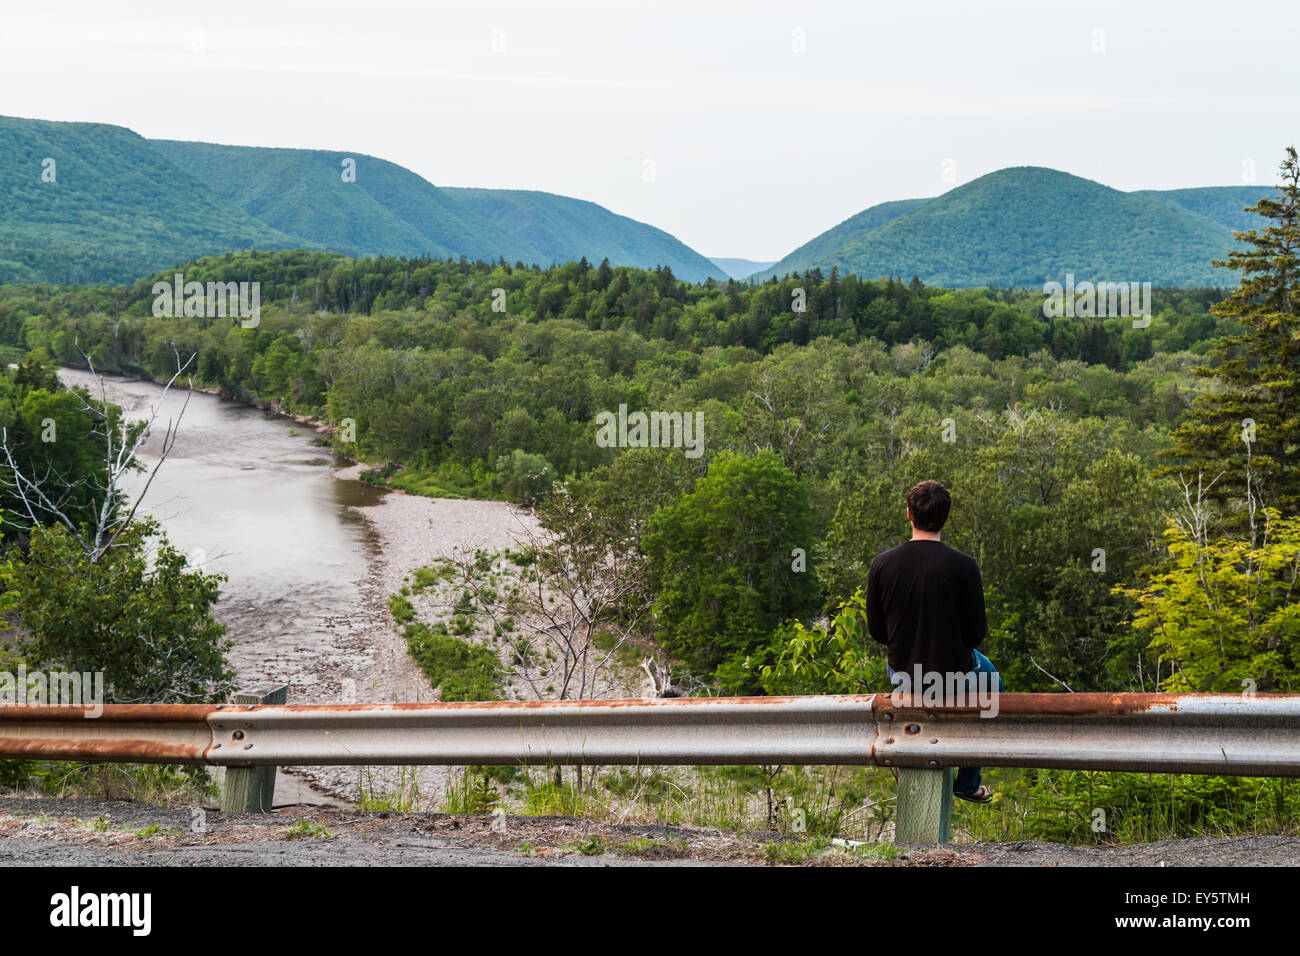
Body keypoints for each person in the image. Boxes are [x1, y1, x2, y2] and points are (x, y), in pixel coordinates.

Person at [865, 479, 1002, 803]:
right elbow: (976, 634)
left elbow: (878, 632)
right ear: (945, 517)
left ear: (909, 515)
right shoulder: (964, 566)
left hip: (904, 675)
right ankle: (968, 782)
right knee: (992, 682)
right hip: (955, 675)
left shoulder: (882, 564)